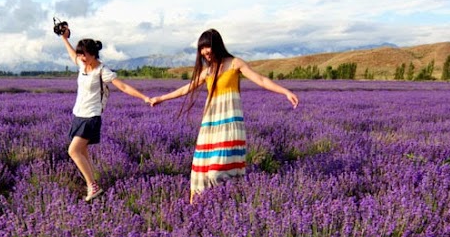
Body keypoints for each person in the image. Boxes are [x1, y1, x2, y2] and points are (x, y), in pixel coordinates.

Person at [151, 29, 299, 203]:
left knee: (218, 170)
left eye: (208, 47)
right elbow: (186, 89)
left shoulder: (235, 63)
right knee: (203, 169)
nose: (205, 52)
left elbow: (261, 80)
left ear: (217, 45)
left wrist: (285, 92)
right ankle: (205, 208)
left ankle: (228, 202)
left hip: (229, 124)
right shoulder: (207, 72)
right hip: (210, 126)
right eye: (202, 48)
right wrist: (161, 98)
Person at [59, 24, 152, 201]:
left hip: (91, 117)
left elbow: (123, 86)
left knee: (73, 151)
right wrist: (64, 38)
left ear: (94, 54)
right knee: (83, 153)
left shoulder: (102, 71)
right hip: (78, 114)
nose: (81, 57)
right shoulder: (82, 65)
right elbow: (72, 54)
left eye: (84, 54)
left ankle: (92, 187)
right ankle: (93, 187)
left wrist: (144, 98)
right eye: (80, 54)